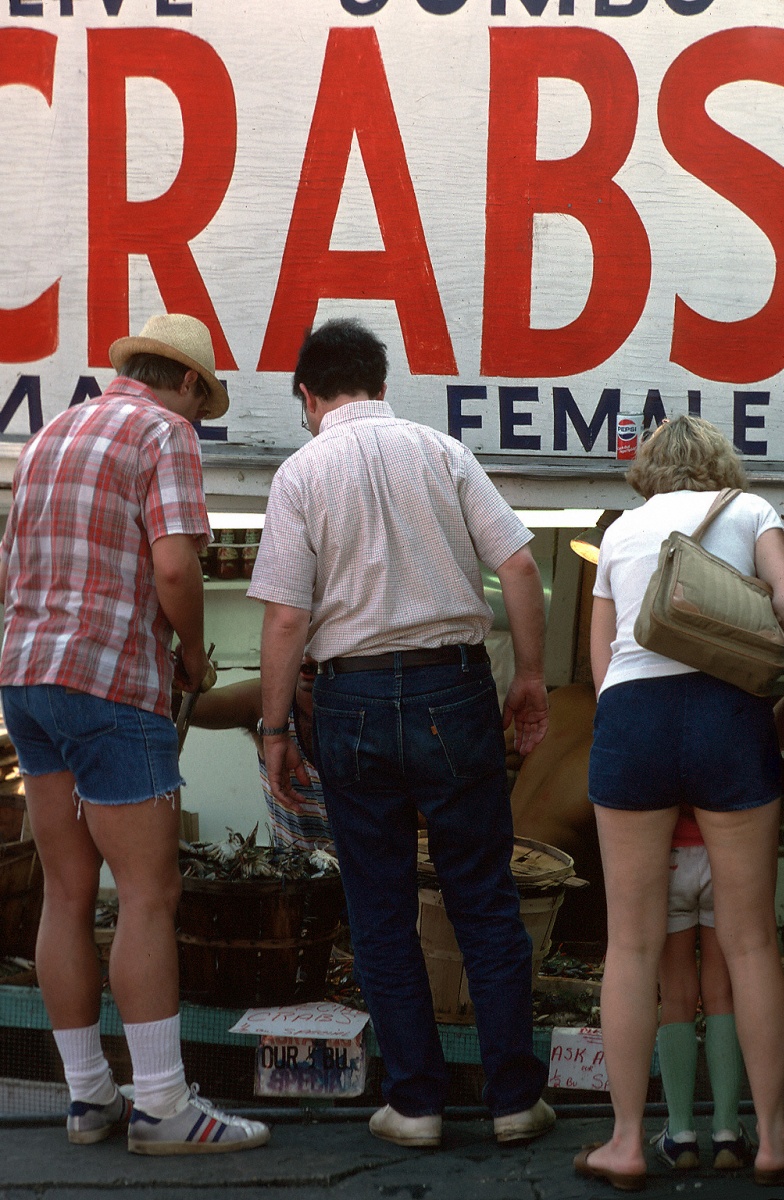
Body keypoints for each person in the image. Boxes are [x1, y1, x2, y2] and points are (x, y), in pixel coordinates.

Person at [247, 317, 554, 1149]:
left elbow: (285, 617)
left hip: (347, 700)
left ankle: (415, 1104)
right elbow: (520, 566)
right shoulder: (441, 451)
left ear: (309, 396)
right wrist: (528, 675)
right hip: (453, 691)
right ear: (383, 384)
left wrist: (275, 728)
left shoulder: (300, 472)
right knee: (483, 898)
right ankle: (514, 1100)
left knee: (379, 909)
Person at [0, 314, 269, 1156]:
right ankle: (162, 1105)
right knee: (150, 895)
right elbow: (176, 565)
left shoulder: (49, 433)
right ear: (186, 382)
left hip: (27, 679)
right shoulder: (164, 432)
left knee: (66, 891)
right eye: (203, 398)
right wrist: (192, 656)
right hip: (113, 682)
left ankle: (88, 1099)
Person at [574, 415, 784, 1191]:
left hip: (634, 722)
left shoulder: (620, 532)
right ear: (717, 464)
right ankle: (771, 1139)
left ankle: (629, 1142)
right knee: (750, 943)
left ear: (649, 472)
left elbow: (601, 666)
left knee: (632, 946)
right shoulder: (750, 511)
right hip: (729, 716)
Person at [652, 805, 751, 1172]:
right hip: (721, 850)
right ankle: (727, 1132)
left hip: (669, 855)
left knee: (675, 993)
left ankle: (680, 1136)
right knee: (722, 992)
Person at [188, 657, 332, 851]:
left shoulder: (376, 700)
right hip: (295, 875)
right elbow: (185, 705)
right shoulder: (271, 701)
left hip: (372, 875)